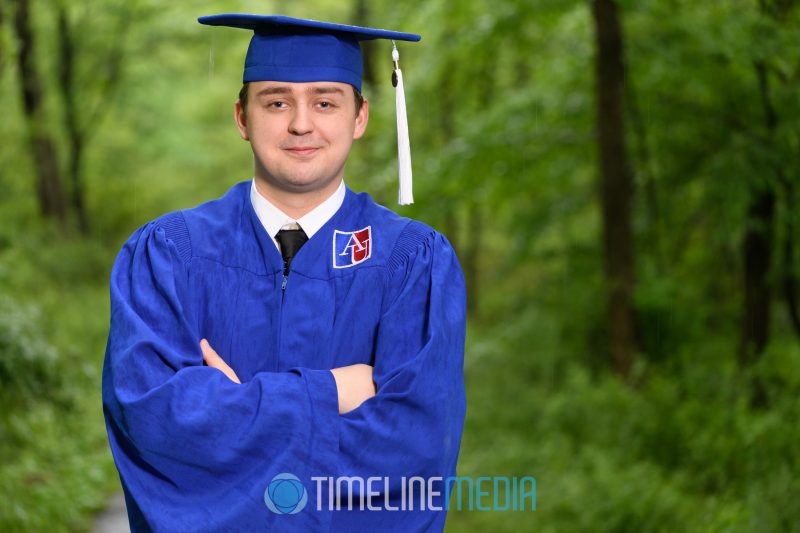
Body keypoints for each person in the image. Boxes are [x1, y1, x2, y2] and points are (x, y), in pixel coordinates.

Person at [102, 14, 466, 532]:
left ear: (359, 118)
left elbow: (414, 452)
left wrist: (231, 410)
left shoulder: (412, 264)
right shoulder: (168, 257)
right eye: (276, 102)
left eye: (325, 102)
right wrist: (331, 394)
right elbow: (155, 426)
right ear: (242, 117)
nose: (301, 123)